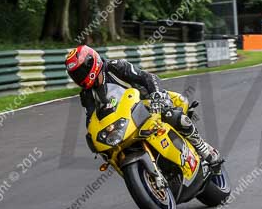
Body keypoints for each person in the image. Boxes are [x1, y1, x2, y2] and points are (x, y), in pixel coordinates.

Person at [65, 45, 222, 171]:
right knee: (112, 155)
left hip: (148, 102)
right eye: (75, 75)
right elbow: (91, 119)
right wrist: (93, 137)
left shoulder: (115, 67)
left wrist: (156, 95)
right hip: (124, 121)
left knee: (172, 114)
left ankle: (204, 149)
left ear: (92, 63)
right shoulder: (86, 95)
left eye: (81, 72)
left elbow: (147, 77)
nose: (79, 77)